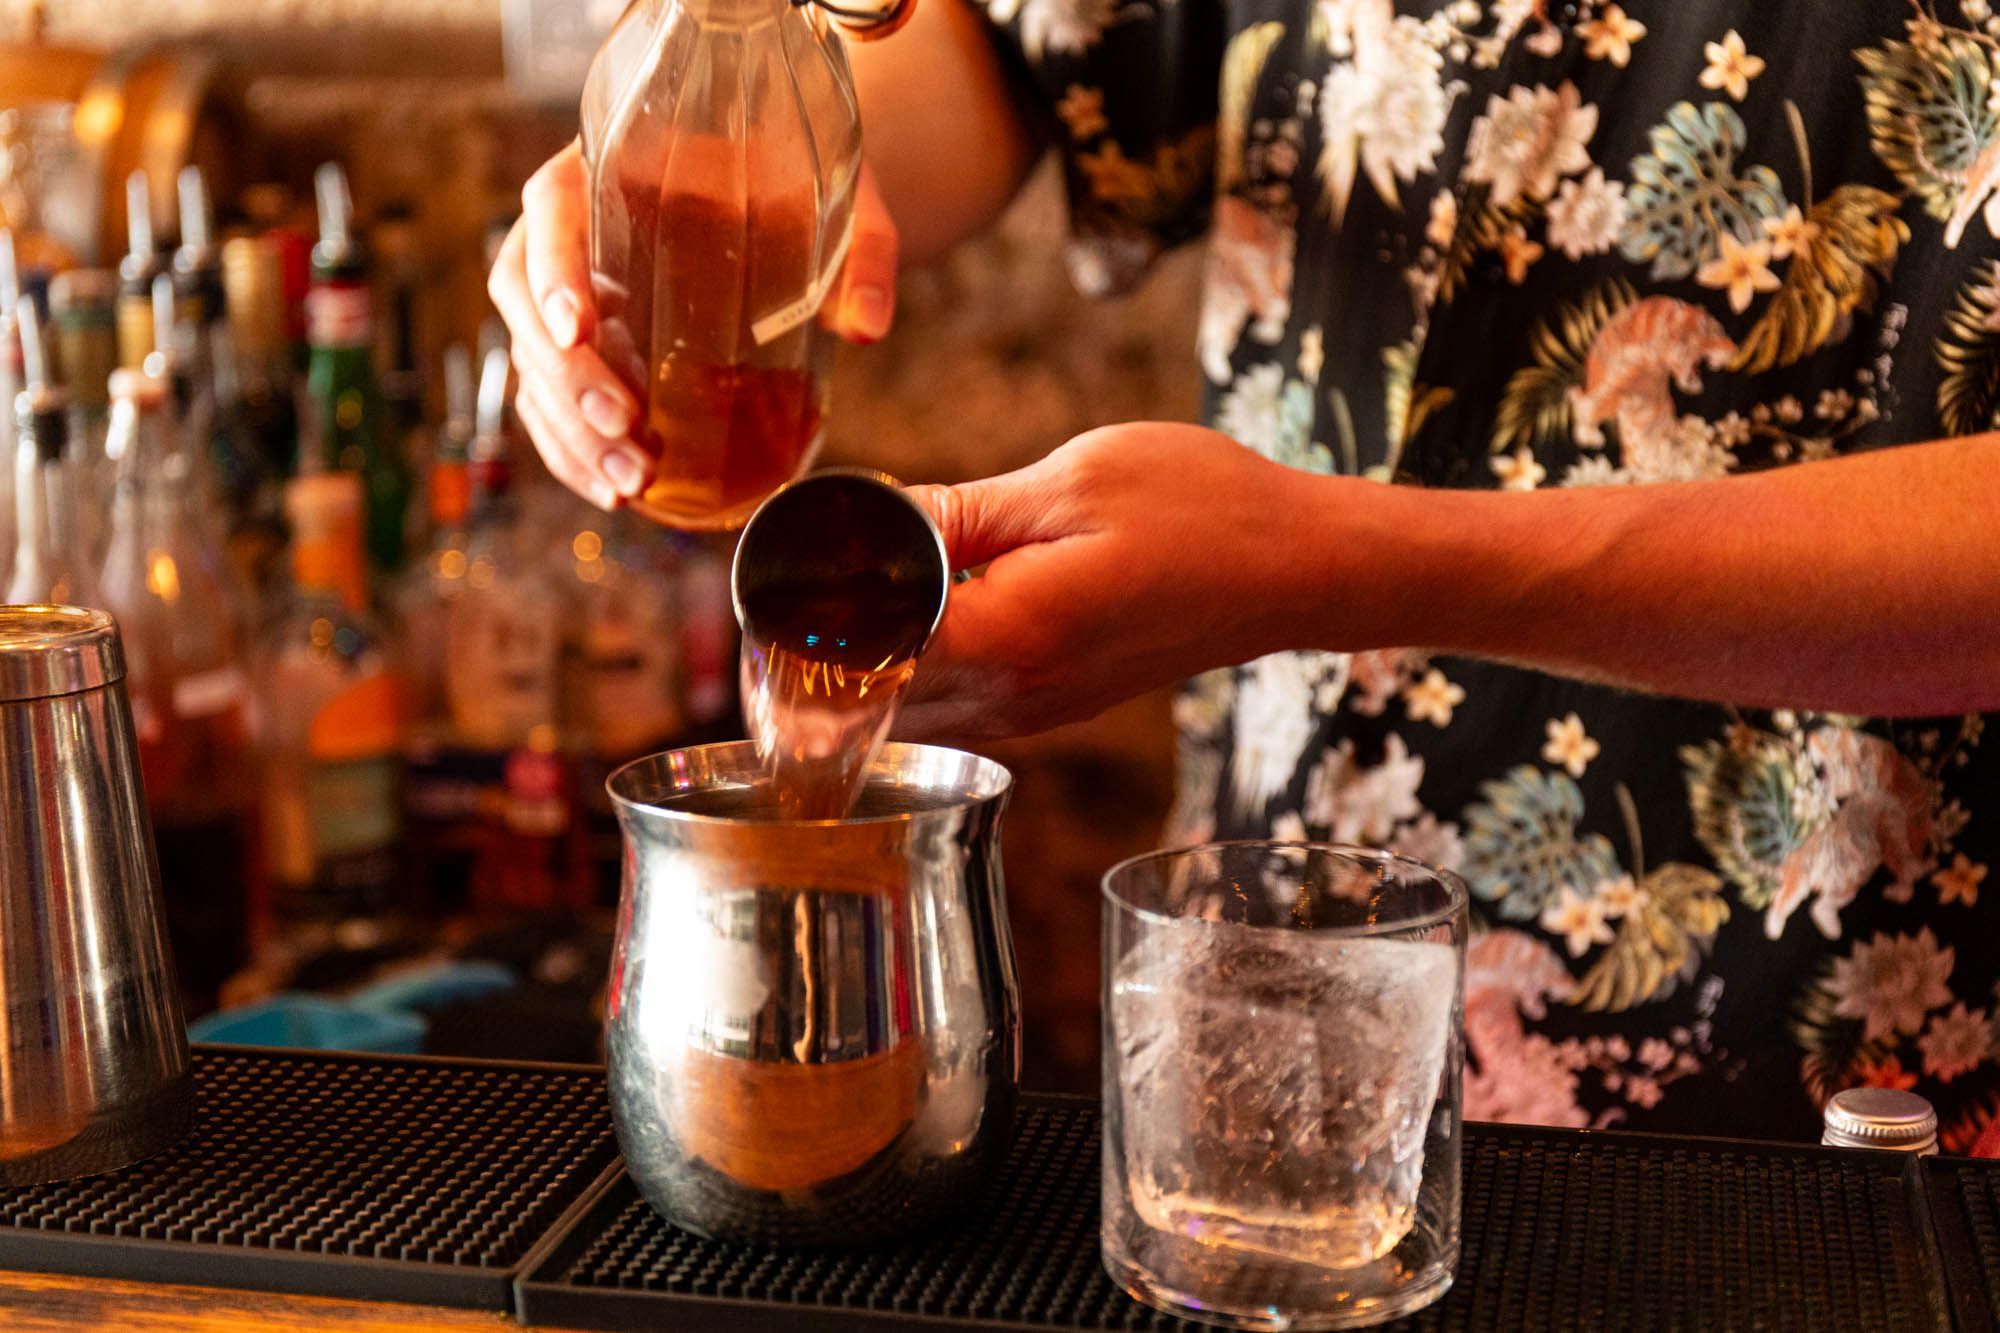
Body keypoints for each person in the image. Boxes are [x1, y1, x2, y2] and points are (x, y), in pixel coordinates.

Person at [492, 0, 2000, 1144]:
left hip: (1855, 1091)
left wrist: (1339, 565)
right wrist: (710, 144)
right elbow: (1011, 74)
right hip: (1282, 1011)